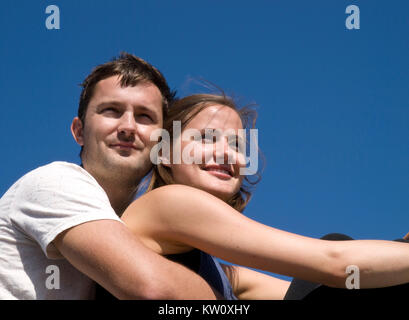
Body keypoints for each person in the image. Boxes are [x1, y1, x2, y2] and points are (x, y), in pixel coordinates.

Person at [119, 92, 409, 300]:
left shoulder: (225, 277)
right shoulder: (168, 203)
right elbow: (334, 263)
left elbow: (310, 288)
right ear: (166, 153)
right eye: (205, 138)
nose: (224, 153)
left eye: (235, 144)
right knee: (336, 244)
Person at [0, 53, 221, 299]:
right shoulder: (55, 182)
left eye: (144, 116)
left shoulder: (137, 230)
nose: (127, 127)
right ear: (79, 131)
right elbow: (153, 288)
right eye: (112, 111)